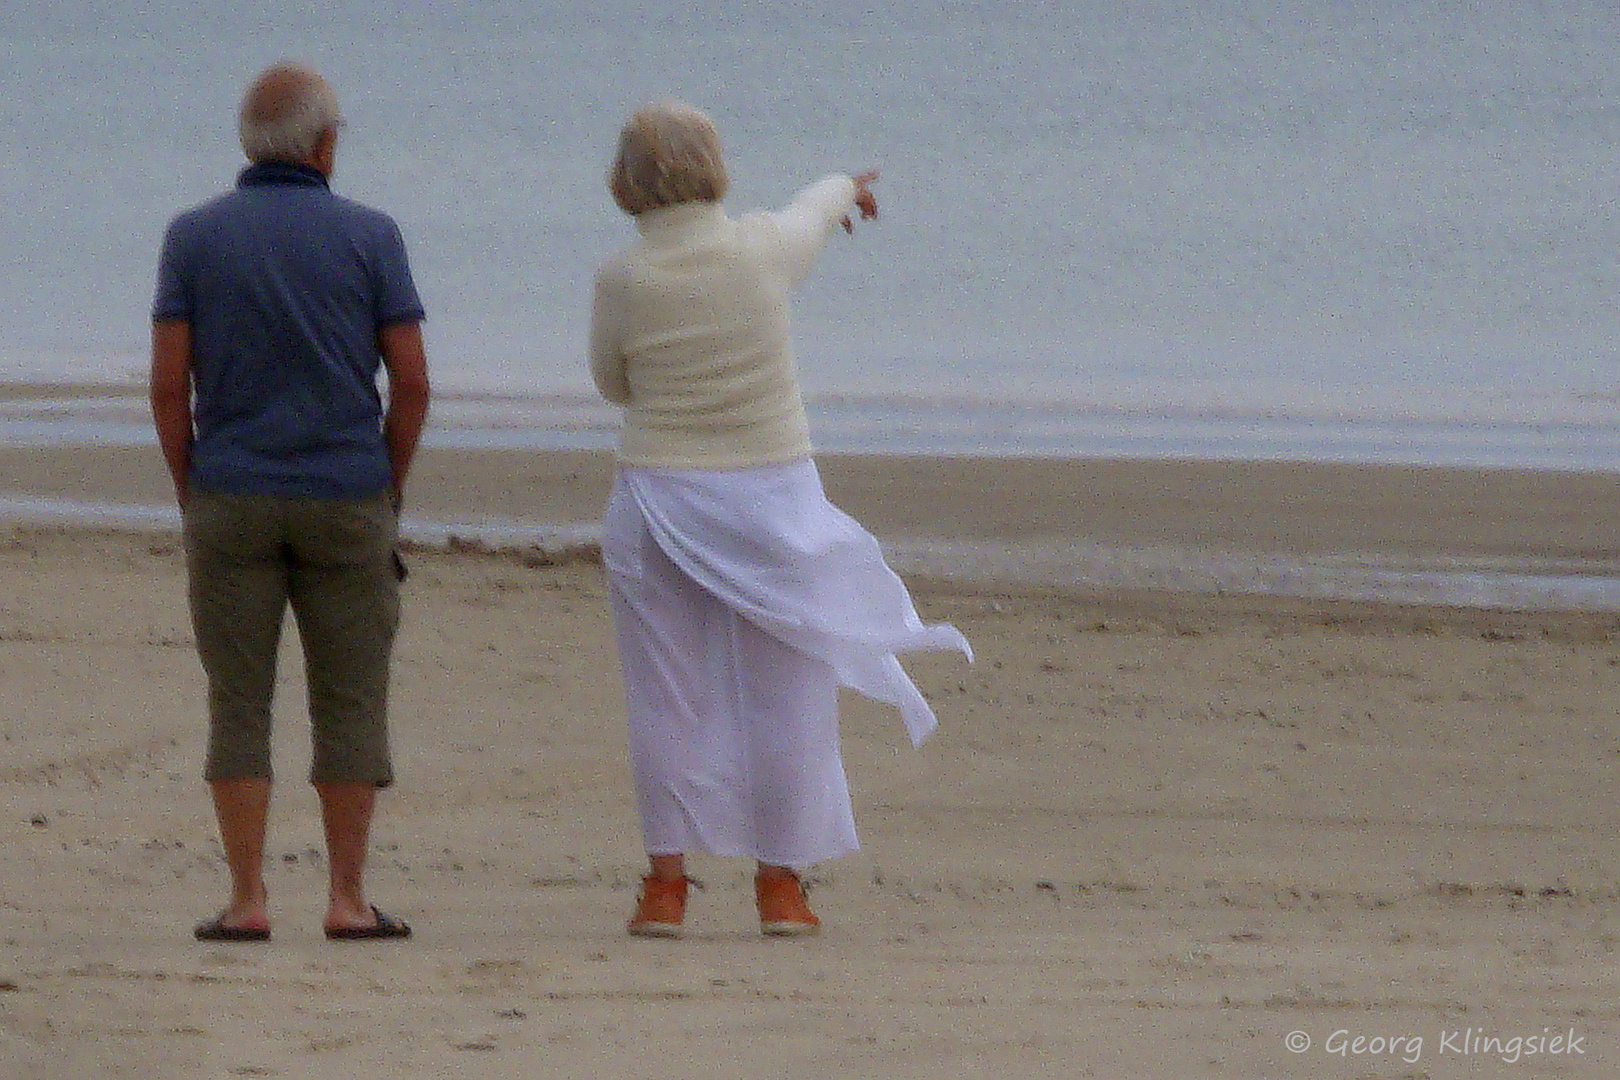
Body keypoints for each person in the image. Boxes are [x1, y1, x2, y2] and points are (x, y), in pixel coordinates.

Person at [591, 100, 971, 938]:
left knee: (664, 697)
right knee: (787, 695)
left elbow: (613, 385)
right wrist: (849, 190)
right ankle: (780, 891)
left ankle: (665, 890)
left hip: (660, 495)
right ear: (713, 167)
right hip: (770, 498)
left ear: (627, 182)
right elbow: (814, 209)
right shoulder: (762, 248)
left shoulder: (622, 275)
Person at [149, 62, 430, 943]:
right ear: (324, 143)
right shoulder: (371, 236)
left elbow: (167, 385)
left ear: (249, 143)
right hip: (346, 490)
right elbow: (412, 382)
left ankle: (247, 899)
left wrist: (190, 482)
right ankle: (347, 899)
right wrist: (389, 483)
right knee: (350, 699)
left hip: (231, 489)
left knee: (238, 700)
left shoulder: (193, 238)